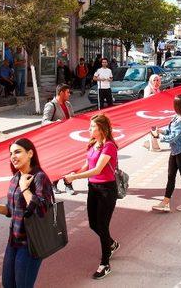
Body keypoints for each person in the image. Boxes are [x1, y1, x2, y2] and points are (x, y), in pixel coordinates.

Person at [0, 138, 54, 288]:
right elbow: (12, 210)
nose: (13, 156)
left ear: (30, 153)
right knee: (8, 284)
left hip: (31, 242)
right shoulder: (16, 178)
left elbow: (41, 211)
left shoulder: (39, 177)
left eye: (18, 152)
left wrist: (25, 188)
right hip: (14, 240)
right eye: (11, 153)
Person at [62, 114, 120, 280]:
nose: (89, 129)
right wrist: (74, 172)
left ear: (102, 129)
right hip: (93, 188)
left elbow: (97, 170)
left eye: (92, 127)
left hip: (106, 190)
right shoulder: (93, 144)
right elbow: (88, 165)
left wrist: (74, 178)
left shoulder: (109, 146)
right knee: (93, 224)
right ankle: (111, 243)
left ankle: (105, 263)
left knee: (102, 225)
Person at [150, 94, 181, 212]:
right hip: (175, 151)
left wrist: (158, 136)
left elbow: (173, 137)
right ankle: (165, 202)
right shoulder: (178, 116)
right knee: (171, 176)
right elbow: (171, 131)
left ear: (178, 105)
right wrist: (161, 130)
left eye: (175, 103)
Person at [42, 84, 76, 194]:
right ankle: (53, 184)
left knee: (69, 163)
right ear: (61, 92)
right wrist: (55, 124)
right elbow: (44, 122)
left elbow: (72, 118)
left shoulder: (68, 104)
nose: (69, 94)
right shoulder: (51, 105)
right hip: (56, 141)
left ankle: (68, 185)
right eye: (67, 92)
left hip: (68, 139)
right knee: (58, 163)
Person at [142, 74, 162, 152]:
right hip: (150, 112)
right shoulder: (148, 88)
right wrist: (153, 96)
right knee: (153, 128)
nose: (156, 82)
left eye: (157, 80)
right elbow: (146, 99)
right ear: (151, 81)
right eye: (154, 80)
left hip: (156, 111)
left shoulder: (157, 89)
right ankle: (153, 146)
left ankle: (147, 144)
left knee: (154, 128)